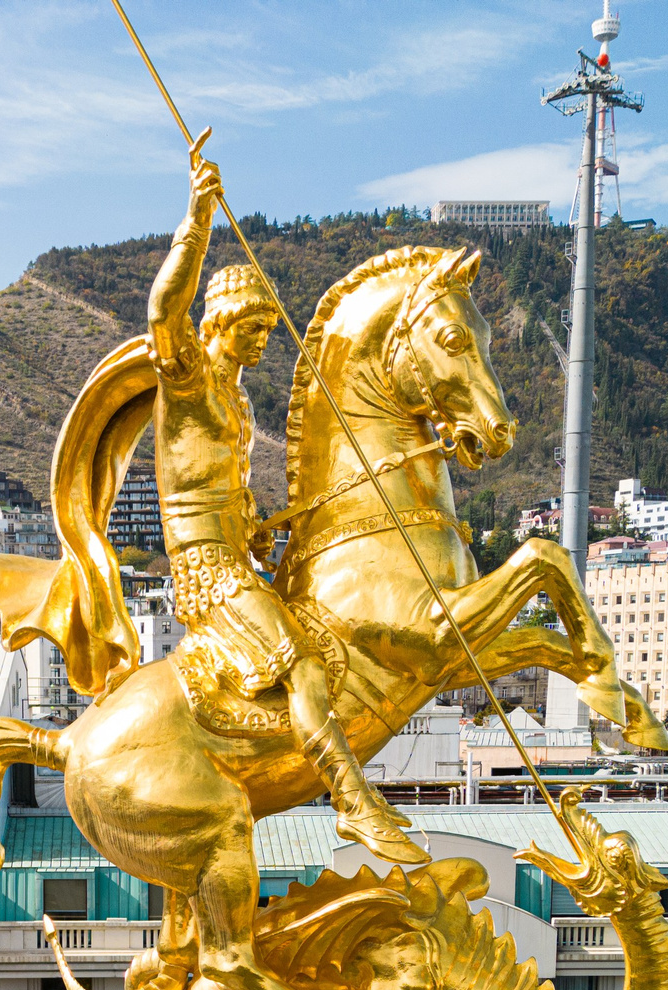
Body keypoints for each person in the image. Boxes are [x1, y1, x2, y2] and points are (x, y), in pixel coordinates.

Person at [144, 134, 426, 868]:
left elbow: (222, 491)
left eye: (269, 329)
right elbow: (162, 311)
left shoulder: (237, 403)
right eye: (252, 327)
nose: (263, 340)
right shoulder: (187, 379)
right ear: (218, 323)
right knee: (300, 662)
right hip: (208, 573)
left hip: (236, 554)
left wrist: (257, 529)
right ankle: (352, 801)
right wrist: (197, 220)